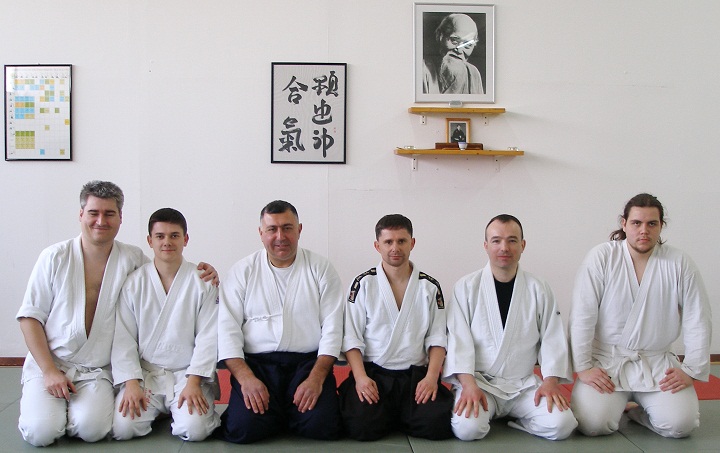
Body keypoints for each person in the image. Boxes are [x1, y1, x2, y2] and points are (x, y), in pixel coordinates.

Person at [15, 181, 217, 447]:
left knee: (93, 430)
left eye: (109, 213)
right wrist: (50, 370)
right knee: (41, 432)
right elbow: (30, 317)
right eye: (93, 213)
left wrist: (209, 274)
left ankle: (81, 413)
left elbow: (167, 274)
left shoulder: (131, 259)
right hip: (51, 363)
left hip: (96, 370)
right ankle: (51, 413)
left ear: (120, 218)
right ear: (81, 214)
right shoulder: (54, 257)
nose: (101, 221)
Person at [569, 193, 712, 438]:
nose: (644, 230)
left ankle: (637, 414)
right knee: (592, 424)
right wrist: (583, 367)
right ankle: (619, 407)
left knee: (681, 425)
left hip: (658, 365)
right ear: (624, 224)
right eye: (636, 223)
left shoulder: (679, 262)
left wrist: (691, 370)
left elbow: (698, 318)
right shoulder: (602, 257)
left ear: (661, 226)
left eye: (651, 223)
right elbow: (582, 315)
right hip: (607, 362)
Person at [216, 200, 343, 444]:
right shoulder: (243, 271)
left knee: (323, 426)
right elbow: (227, 331)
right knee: (243, 429)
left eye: (287, 228)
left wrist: (317, 378)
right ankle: (283, 413)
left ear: (299, 230)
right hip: (258, 366)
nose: (280, 236)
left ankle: (283, 413)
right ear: (261, 233)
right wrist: (246, 379)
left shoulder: (321, 269)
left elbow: (333, 328)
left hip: (307, 365)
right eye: (272, 229)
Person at [444, 214, 577, 441]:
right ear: (486, 246)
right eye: (496, 241)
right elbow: (458, 341)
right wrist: (468, 385)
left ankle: (519, 420)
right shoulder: (466, 287)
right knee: (468, 429)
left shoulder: (539, 288)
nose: (504, 247)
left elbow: (552, 339)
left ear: (522, 245)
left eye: (512, 240)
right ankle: (494, 412)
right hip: (480, 384)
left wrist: (550, 382)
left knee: (563, 425)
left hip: (523, 386)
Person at [339, 214, 453, 441]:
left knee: (437, 425)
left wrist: (432, 377)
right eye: (388, 242)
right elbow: (351, 337)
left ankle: (395, 414)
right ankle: (395, 415)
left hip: (415, 377)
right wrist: (360, 378)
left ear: (412, 243)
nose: (395, 248)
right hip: (374, 374)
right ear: (377, 246)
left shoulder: (429, 287)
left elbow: (437, 338)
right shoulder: (363, 284)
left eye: (401, 241)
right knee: (361, 426)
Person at [112, 208, 220, 441]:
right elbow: (123, 337)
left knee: (195, 430)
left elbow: (208, 337)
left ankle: (176, 409)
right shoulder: (133, 283)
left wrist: (194, 382)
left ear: (185, 239)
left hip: (187, 376)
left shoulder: (202, 282)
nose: (167, 242)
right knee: (123, 428)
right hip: (146, 376)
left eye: (174, 235)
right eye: (160, 236)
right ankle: (163, 409)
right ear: (150, 240)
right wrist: (131, 383)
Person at [423, 13, 484, 95]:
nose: (459, 51)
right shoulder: (423, 70)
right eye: (454, 40)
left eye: (468, 45)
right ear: (439, 36)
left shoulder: (473, 73)